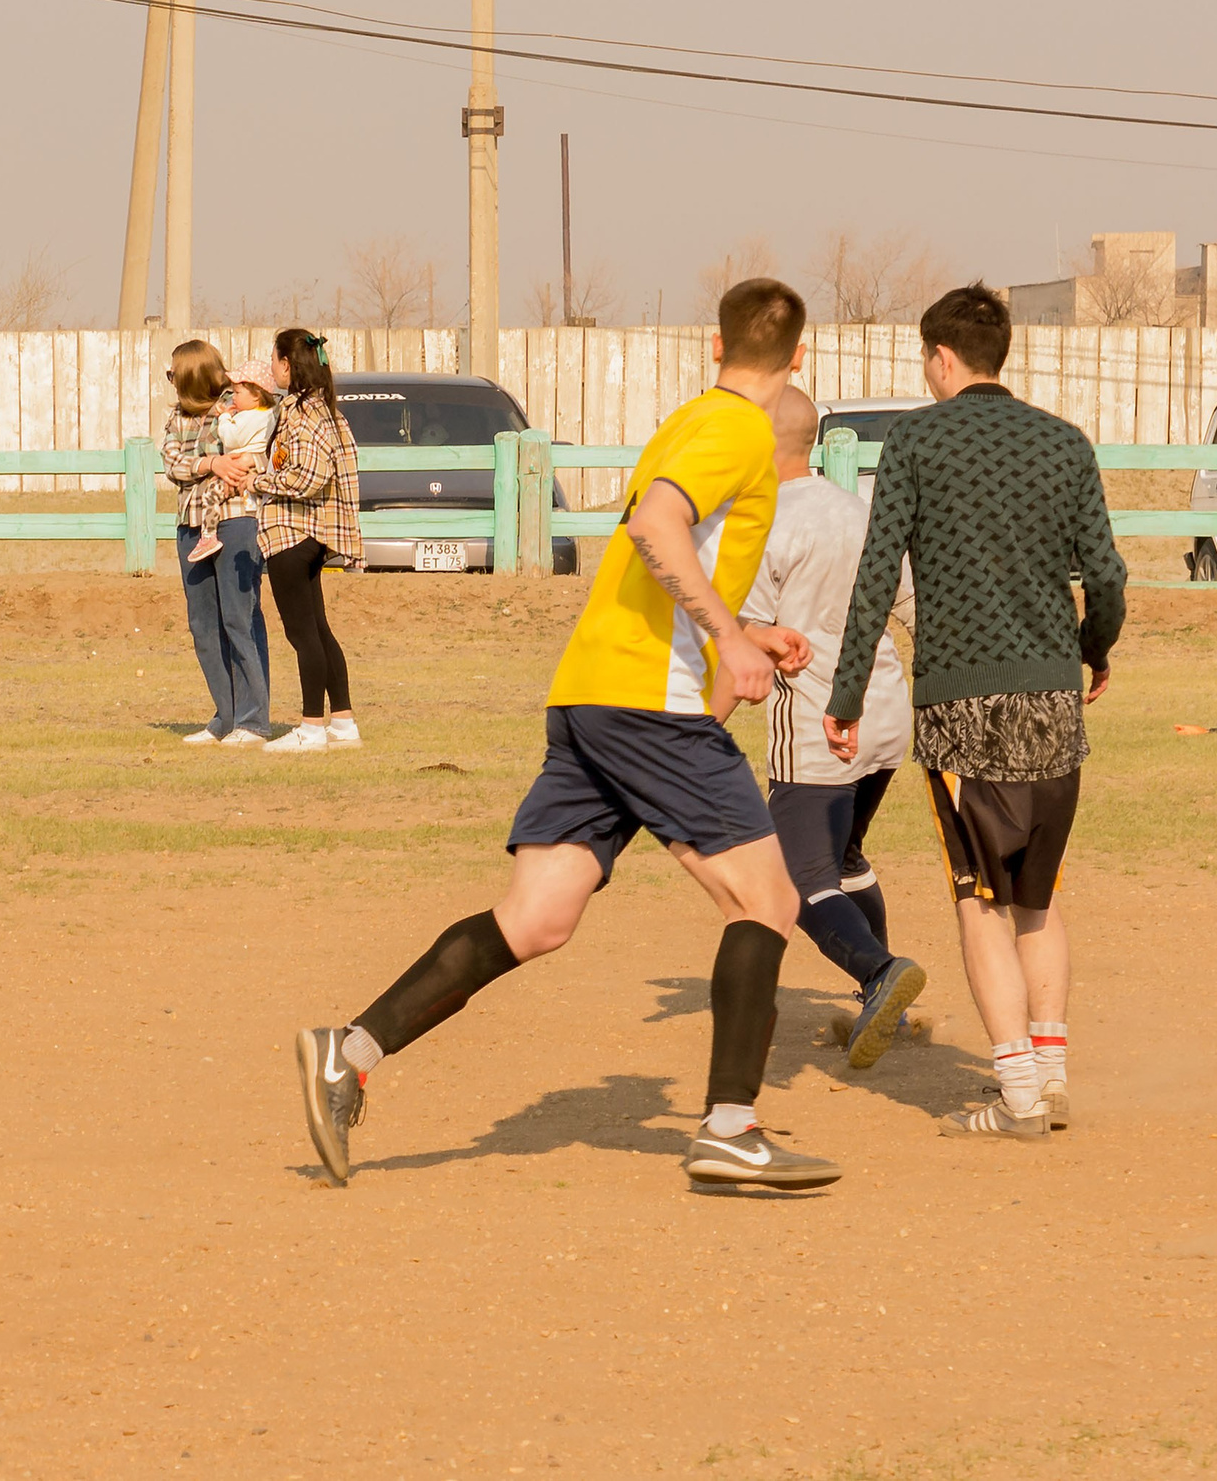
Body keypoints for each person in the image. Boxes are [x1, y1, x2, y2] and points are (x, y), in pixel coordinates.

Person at [294, 279, 845, 1192]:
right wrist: (725, 639)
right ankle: (732, 1128)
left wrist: (742, 626)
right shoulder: (740, 430)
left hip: (594, 690)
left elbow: (666, 553)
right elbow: (656, 524)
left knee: (537, 918)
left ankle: (346, 1053)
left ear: (714, 347)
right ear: (798, 357)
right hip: (650, 705)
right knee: (769, 904)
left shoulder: (689, 419)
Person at [826, 283, 1124, 1142]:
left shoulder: (916, 438)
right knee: (1039, 893)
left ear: (941, 358)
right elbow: (1104, 576)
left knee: (977, 898)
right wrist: (1093, 650)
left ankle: (1018, 1091)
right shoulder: (1064, 444)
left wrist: (846, 696)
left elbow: (878, 575)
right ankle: (1053, 1069)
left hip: (961, 707)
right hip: (1052, 701)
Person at [729, 386, 927, 1071]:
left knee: (796, 877)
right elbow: (914, 608)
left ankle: (878, 976)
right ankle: (886, 999)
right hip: (886, 716)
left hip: (818, 722)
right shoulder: (859, 511)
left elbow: (750, 641)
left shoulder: (765, 526)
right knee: (844, 862)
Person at [207, 328, 361, 755]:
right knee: (319, 630)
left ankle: (311, 728)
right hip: (310, 533)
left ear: (287, 366)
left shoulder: (306, 413)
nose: (271, 366)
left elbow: (310, 475)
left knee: (302, 635)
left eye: (274, 360)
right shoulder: (319, 408)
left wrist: (259, 480)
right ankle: (343, 722)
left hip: (293, 533)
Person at [162, 340, 271, 747]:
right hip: (191, 525)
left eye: (174, 374)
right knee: (203, 626)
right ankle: (225, 717)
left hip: (236, 521)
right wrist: (212, 464)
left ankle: (254, 720)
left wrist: (236, 463)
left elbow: (257, 451)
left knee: (239, 620)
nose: (171, 382)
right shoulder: (176, 417)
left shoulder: (240, 404)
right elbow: (172, 463)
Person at [185, 379, 277, 562]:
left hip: (240, 470)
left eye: (238, 393)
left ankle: (208, 536)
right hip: (254, 470)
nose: (233, 397)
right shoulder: (268, 415)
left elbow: (230, 438)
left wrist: (224, 418)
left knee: (211, 494)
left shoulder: (252, 417)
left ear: (256, 396)